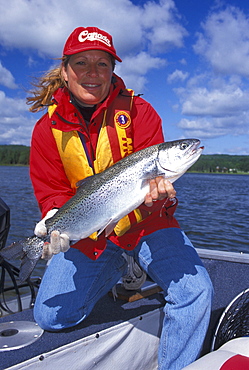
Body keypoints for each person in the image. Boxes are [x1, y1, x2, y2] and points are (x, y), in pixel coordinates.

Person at [27, 26, 213, 369]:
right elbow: (51, 189)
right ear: (65, 71)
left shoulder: (140, 111)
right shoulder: (45, 130)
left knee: (196, 294)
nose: (92, 73)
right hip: (91, 231)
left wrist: (161, 198)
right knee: (50, 316)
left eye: (102, 63)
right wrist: (52, 221)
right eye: (81, 63)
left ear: (113, 70)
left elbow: (158, 196)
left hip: (148, 226)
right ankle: (119, 266)